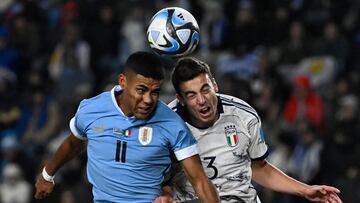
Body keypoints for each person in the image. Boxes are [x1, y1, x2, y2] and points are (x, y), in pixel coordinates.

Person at [34, 52, 219, 203]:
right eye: (141, 90)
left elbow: (200, 181)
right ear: (123, 81)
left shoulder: (172, 124)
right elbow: (74, 143)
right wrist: (47, 175)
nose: (148, 100)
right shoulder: (91, 109)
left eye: (155, 92)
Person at [166, 57, 342, 203]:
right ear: (180, 99)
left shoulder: (244, 115)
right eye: (192, 95)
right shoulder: (166, 126)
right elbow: (154, 176)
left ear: (215, 85)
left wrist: (305, 190)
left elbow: (258, 168)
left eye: (205, 90)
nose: (201, 100)